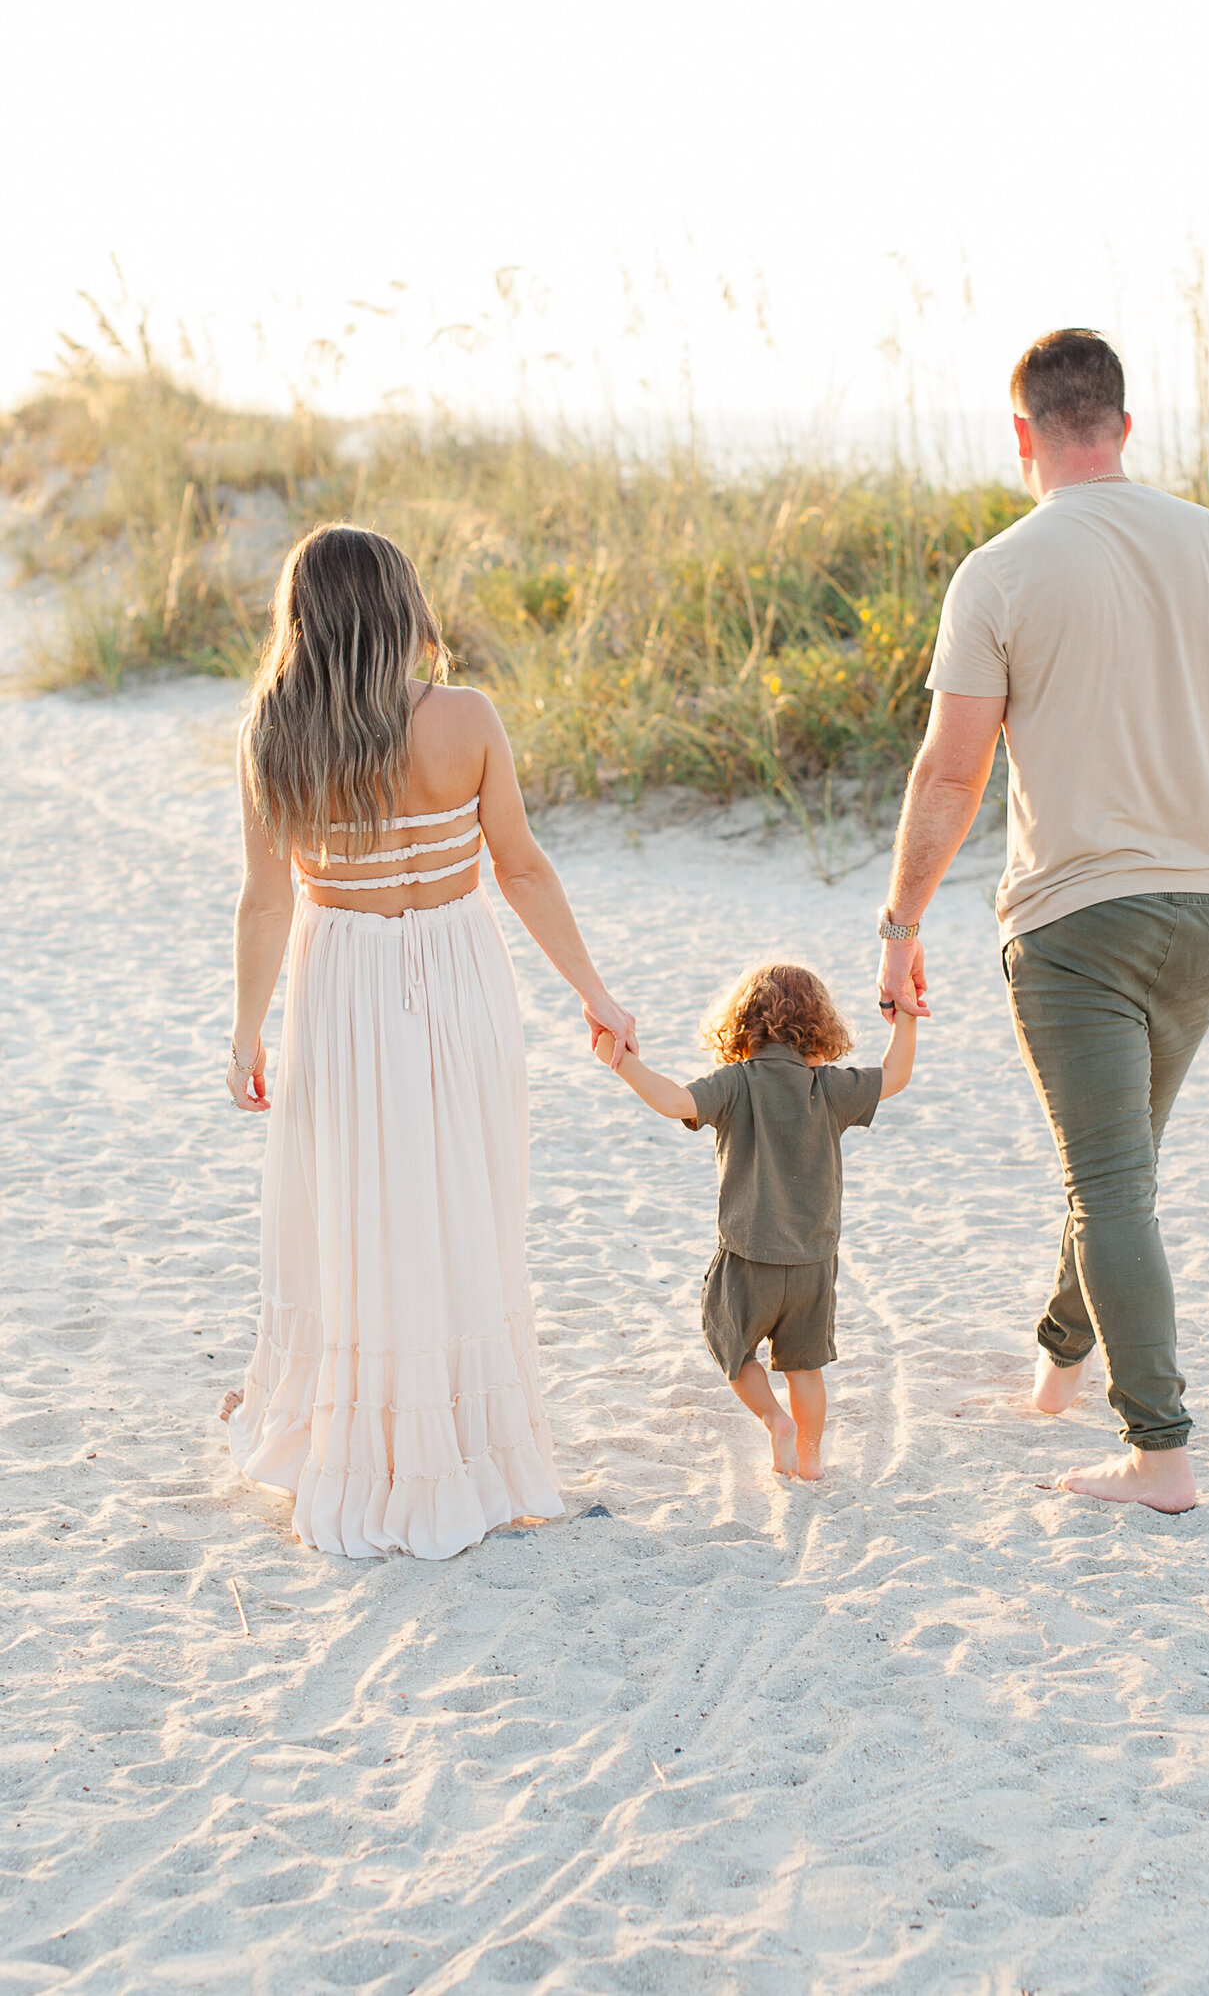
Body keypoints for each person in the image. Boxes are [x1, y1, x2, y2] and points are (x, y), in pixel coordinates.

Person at [875, 329, 1209, 1513]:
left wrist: (898, 922)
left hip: (1074, 921)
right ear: (1123, 427)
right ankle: (1057, 1362)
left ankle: (1158, 1451)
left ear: (1021, 434)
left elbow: (949, 773)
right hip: (1206, 909)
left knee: (1112, 1181)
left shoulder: (1002, 568)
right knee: (1118, 1165)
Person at [222, 523, 637, 1559]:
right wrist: (595, 992)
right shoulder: (465, 718)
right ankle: (464, 1437)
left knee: (361, 1204)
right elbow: (523, 869)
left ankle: (360, 1430)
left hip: (342, 981)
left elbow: (265, 900)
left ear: (302, 619)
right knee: (461, 1196)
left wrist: (247, 1028)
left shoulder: (275, 732)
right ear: (405, 606)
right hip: (458, 971)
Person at [595, 962, 916, 1480]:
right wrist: (906, 1016)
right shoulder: (829, 1088)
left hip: (747, 1257)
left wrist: (622, 1062)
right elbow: (896, 1074)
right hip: (812, 1263)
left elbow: (673, 1100)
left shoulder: (735, 1083)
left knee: (731, 1343)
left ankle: (775, 1422)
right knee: (805, 1368)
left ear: (743, 1025)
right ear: (818, 1026)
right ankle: (810, 1458)